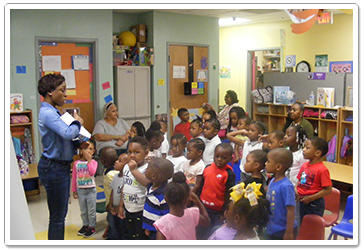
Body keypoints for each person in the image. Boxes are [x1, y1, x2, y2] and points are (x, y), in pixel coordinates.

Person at [37, 73, 84, 240]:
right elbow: (66, 133)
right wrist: (77, 122)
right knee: (57, 218)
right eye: (62, 90)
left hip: (60, 167)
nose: (65, 94)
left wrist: (79, 144)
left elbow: (64, 140)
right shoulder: (47, 113)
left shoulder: (55, 112)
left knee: (61, 213)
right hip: (53, 168)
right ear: (50, 91)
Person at [154, 172, 210, 240]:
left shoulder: (163, 224)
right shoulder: (192, 213)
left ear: (165, 198)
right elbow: (206, 221)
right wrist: (198, 202)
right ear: (186, 199)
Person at [127, 158, 174, 240]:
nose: (146, 169)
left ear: (153, 176)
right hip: (150, 229)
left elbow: (167, 218)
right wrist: (148, 227)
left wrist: (157, 230)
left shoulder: (163, 196)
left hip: (159, 232)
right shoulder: (151, 187)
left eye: (148, 168)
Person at [197, 143, 236, 239]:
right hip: (203, 207)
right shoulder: (207, 168)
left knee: (214, 232)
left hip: (218, 211)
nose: (219, 159)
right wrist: (197, 202)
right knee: (200, 231)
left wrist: (224, 212)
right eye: (217, 156)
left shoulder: (229, 174)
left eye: (223, 158)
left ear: (230, 159)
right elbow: (201, 186)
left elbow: (229, 195)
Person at [295, 137, 332, 224]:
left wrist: (311, 198)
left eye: (307, 148)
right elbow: (301, 181)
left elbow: (328, 190)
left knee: (312, 226)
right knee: (301, 224)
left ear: (317, 153)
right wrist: (296, 189)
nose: (303, 150)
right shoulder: (304, 165)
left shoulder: (322, 170)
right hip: (301, 200)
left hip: (314, 203)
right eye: (304, 147)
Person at [119, 136, 150, 240]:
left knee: (140, 237)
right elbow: (124, 186)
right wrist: (120, 205)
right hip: (128, 208)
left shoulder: (148, 168)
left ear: (145, 153)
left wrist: (134, 170)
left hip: (142, 210)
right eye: (129, 152)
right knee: (130, 235)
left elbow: (147, 183)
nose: (132, 155)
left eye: (136, 152)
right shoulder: (126, 167)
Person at [265, 148, 298, 240]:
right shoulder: (272, 181)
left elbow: (291, 211)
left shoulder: (286, 186)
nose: (265, 164)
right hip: (272, 227)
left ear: (278, 167)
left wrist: (289, 232)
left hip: (283, 230)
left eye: (268, 162)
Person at [71, 140, 98, 238]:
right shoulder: (76, 163)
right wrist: (74, 190)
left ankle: (92, 226)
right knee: (83, 210)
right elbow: (74, 177)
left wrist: (89, 161)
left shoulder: (94, 162)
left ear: (93, 151)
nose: (88, 151)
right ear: (81, 150)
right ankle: (85, 225)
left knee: (91, 210)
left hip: (91, 190)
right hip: (81, 190)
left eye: (90, 149)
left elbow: (92, 172)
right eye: (85, 149)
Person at [107, 153, 129, 240]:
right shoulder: (116, 176)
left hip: (121, 209)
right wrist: (110, 205)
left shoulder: (127, 178)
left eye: (120, 161)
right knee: (113, 225)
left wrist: (120, 206)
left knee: (122, 228)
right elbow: (113, 191)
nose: (116, 162)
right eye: (117, 160)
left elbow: (124, 194)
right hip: (113, 208)